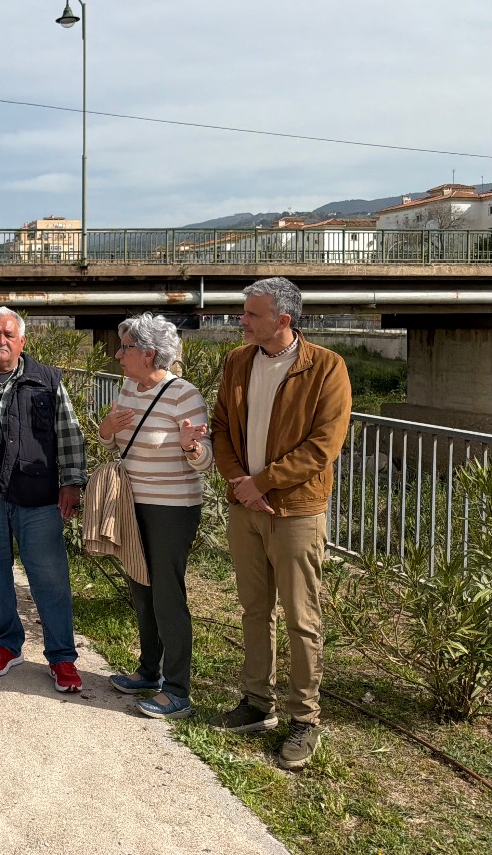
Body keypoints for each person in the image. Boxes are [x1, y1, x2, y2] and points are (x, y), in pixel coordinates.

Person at [208, 276, 351, 771]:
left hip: (296, 510)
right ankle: (255, 703)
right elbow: (221, 424)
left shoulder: (327, 368)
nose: (241, 320)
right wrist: (237, 479)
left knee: (302, 617)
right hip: (246, 505)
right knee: (253, 608)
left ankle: (304, 719)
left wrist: (263, 481)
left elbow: (323, 445)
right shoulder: (237, 362)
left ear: (283, 320)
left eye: (250, 314)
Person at [0, 307, 88, 693]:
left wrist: (72, 482)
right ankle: (8, 644)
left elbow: (69, 434)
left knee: (51, 579)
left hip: (37, 496)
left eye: (9, 334)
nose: (1, 340)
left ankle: (61, 657)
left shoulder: (48, 380)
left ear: (22, 341)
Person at [97, 313, 213, 719]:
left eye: (125, 347)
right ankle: (149, 671)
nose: (117, 354)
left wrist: (190, 447)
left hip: (172, 508)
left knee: (167, 594)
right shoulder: (127, 387)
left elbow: (205, 462)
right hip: (133, 503)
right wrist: (106, 428)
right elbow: (112, 444)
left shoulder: (184, 395)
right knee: (141, 589)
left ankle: (178, 688)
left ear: (148, 354)